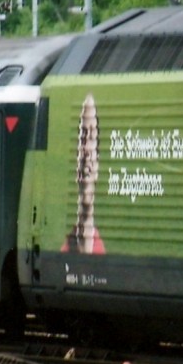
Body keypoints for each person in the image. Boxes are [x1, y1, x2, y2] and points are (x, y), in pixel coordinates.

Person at [62, 93, 106, 254]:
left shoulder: (101, 254)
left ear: (97, 163)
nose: (87, 149)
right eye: (83, 138)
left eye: (92, 136)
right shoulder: (63, 252)